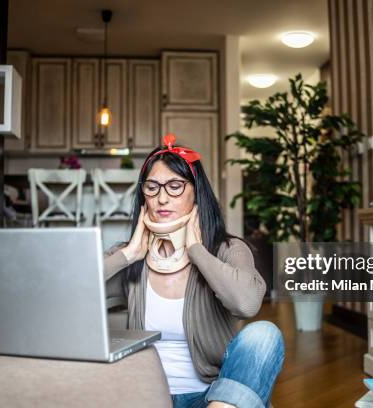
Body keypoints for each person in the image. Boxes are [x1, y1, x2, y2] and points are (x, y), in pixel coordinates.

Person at [103, 134, 284, 408]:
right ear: (143, 197)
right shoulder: (127, 257)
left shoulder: (228, 249)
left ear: (196, 191)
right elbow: (68, 291)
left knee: (265, 334)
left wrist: (197, 250)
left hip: (211, 397)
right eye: (152, 187)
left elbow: (246, 304)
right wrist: (128, 254)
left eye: (175, 186)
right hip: (147, 397)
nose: (162, 198)